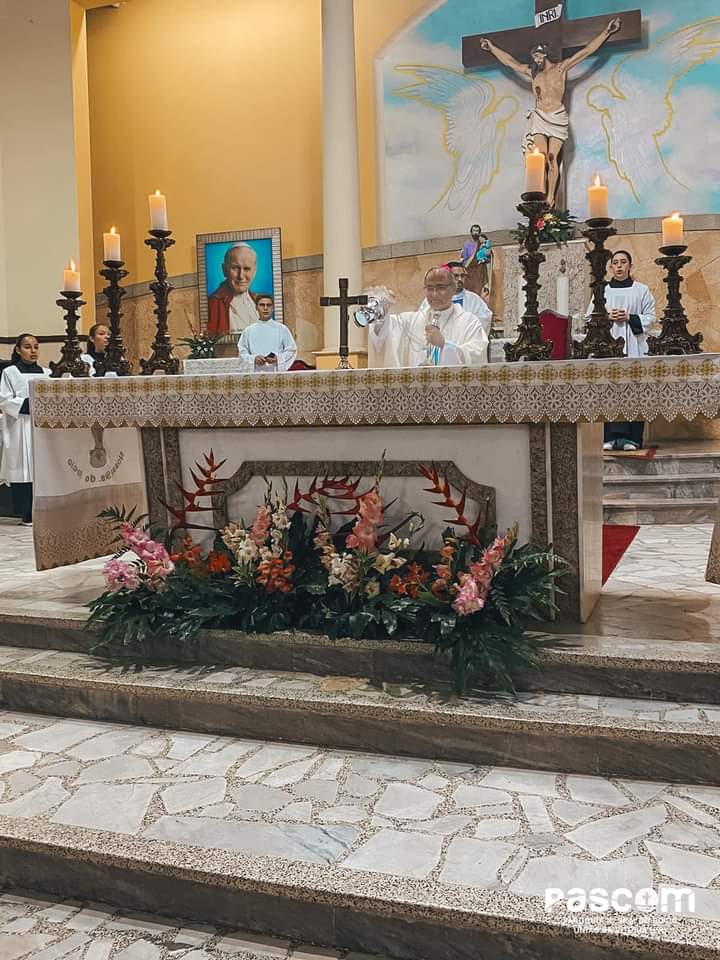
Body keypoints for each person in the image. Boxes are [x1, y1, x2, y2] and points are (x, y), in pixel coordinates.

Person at [480, 18, 621, 205]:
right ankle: (538, 195)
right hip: (539, 117)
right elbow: (510, 62)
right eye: (534, 57)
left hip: (556, 117)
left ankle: (550, 198)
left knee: (553, 158)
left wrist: (607, 32)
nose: (535, 60)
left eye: (537, 56)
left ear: (544, 54)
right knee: (540, 156)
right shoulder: (533, 73)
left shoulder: (561, 68)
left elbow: (586, 51)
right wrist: (492, 48)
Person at [586, 250, 657, 451]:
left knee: (634, 391)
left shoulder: (641, 290)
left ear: (629, 266)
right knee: (610, 390)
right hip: (608, 348)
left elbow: (651, 318)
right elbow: (588, 317)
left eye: (623, 262)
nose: (619, 266)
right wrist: (606, 316)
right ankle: (609, 437)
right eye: (615, 263)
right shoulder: (602, 291)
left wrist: (630, 317)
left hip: (635, 347)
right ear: (610, 268)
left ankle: (633, 439)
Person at [368, 266, 489, 369]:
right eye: (430, 288)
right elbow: (384, 333)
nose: (434, 294)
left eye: (441, 287)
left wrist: (444, 345)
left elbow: (476, 356)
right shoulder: (412, 321)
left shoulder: (469, 322)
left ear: (453, 289)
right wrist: (381, 311)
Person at [0, 334, 50, 525]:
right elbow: (4, 399)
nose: (33, 351)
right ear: (18, 350)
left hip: (40, 426)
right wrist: (28, 404)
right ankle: (25, 512)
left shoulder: (46, 373)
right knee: (23, 469)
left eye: (36, 347)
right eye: (28, 347)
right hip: (20, 425)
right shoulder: (10, 372)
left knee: (40, 469)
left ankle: (42, 510)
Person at [207, 243, 259, 337]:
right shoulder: (214, 302)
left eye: (247, 269)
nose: (241, 276)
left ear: (254, 271)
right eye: (235, 268)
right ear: (224, 270)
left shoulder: (258, 300)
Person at [238, 294, 297, 372]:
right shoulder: (248, 331)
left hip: (276, 372)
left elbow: (291, 350)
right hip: (256, 373)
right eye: (262, 305)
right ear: (256, 308)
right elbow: (242, 352)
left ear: (273, 308)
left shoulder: (282, 329)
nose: (265, 308)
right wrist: (254, 358)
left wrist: (278, 358)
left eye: (268, 305)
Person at [460, 225, 492, 294]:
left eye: (477, 231)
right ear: (471, 232)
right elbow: (464, 261)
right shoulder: (467, 244)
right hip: (469, 272)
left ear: (479, 233)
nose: (475, 233)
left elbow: (488, 256)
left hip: (480, 272)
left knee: (478, 293)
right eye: (474, 231)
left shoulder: (483, 243)